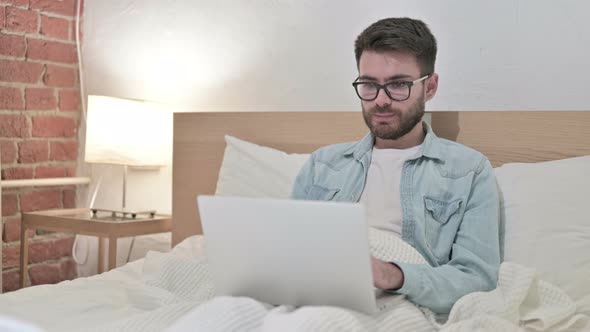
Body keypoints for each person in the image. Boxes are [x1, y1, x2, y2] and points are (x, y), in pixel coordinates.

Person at [290, 17, 502, 314]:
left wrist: (391, 274)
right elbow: (289, 254)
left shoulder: (469, 171)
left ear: (430, 87)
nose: (381, 100)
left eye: (399, 85)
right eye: (369, 85)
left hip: (402, 302)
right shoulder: (323, 165)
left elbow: (477, 279)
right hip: (318, 294)